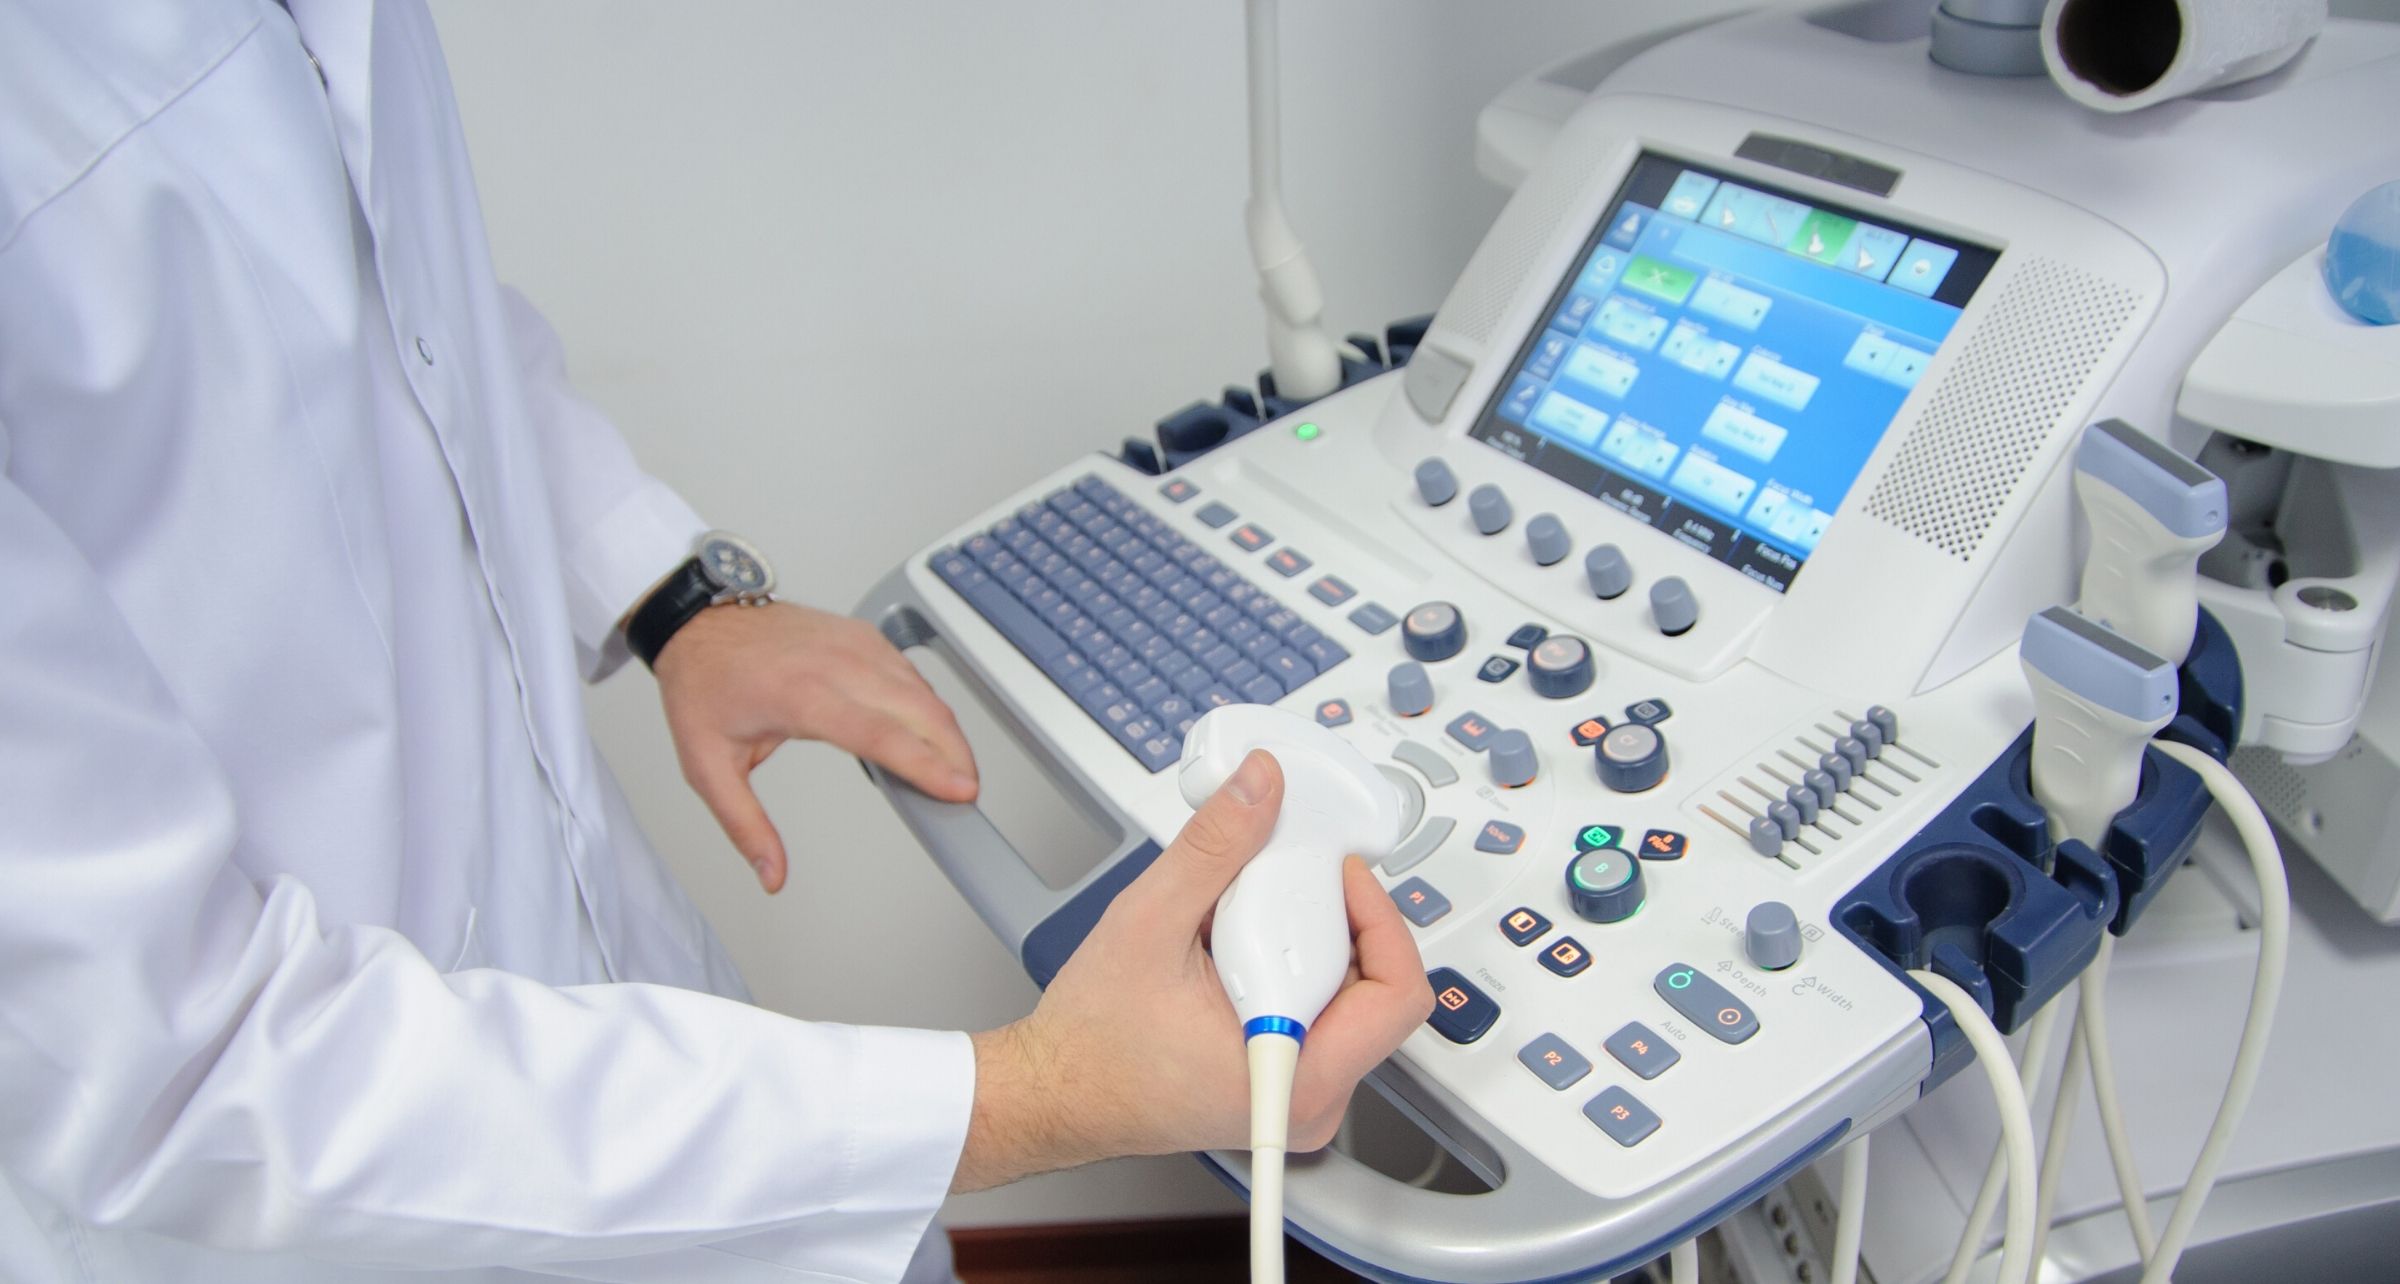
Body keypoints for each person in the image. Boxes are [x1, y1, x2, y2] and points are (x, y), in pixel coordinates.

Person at [0, 2, 1434, 1281]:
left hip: (591, 975)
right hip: (317, 1185)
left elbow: (400, 322)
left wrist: (671, 595)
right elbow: (169, 1065)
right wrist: (1036, 1098)